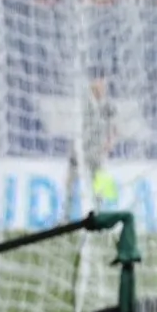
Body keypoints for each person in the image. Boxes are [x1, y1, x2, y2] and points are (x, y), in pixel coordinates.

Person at [66, 76, 117, 214]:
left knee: (102, 185)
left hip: (97, 151)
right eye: (100, 83)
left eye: (104, 84)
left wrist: (111, 141)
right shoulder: (83, 102)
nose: (102, 87)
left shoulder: (107, 105)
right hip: (80, 151)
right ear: (93, 84)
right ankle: (65, 216)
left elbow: (114, 126)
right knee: (70, 185)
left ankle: (102, 213)